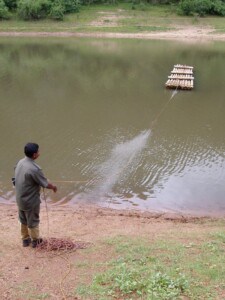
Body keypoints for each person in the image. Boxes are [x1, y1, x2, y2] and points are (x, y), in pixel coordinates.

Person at [14, 143, 57, 248]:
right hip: (30, 200)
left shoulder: (20, 162)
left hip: (19, 198)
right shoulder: (34, 168)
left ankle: (25, 240)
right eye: (38, 151)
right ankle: (35, 241)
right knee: (33, 221)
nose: (39, 153)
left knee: (22, 219)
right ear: (34, 155)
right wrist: (54, 187)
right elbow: (45, 184)